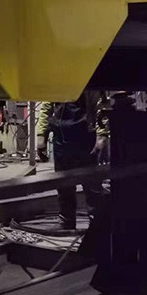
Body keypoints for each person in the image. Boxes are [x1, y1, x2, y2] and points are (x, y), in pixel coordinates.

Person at [37, 92, 109, 230]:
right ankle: (66, 222)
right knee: (64, 187)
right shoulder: (56, 82)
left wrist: (102, 135)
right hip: (61, 140)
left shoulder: (88, 80)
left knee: (92, 188)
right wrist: (41, 135)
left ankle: (97, 227)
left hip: (86, 139)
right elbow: (47, 105)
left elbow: (100, 104)